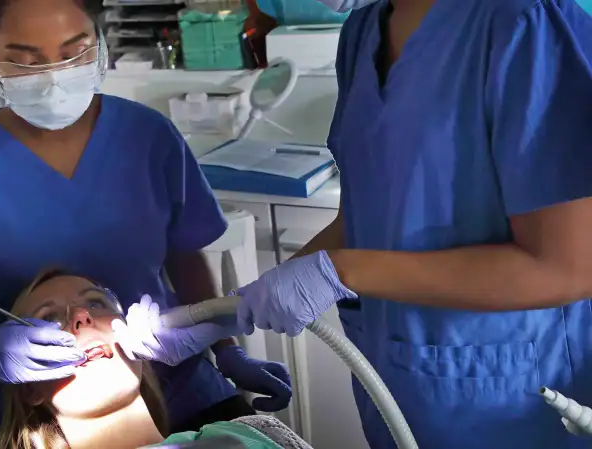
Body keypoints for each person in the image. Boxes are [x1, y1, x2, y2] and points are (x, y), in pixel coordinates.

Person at [0, 0, 290, 440]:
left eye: (74, 52)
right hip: (50, 411)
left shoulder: (149, 137)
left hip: (178, 382)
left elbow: (184, 257)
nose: (54, 76)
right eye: (24, 60)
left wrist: (223, 348)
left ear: (100, 42)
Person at [235, 1, 592, 448]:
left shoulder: (524, 23)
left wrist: (341, 272)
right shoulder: (363, 32)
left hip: (510, 400)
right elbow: (365, 218)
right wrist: (232, 312)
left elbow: (567, 266)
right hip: (396, 390)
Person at [0, 268, 310, 449]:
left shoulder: (252, 434)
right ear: (30, 388)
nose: (81, 316)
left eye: (95, 303)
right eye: (49, 319)